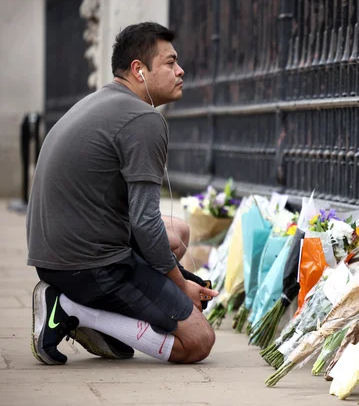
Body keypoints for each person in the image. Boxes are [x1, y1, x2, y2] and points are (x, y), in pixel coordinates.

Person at [26, 22, 218, 365]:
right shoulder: (143, 119)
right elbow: (144, 222)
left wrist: (182, 277)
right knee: (199, 340)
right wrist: (180, 285)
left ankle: (101, 318)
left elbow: (141, 222)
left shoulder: (100, 101)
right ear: (138, 70)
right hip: (90, 265)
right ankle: (72, 309)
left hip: (55, 256)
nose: (180, 70)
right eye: (170, 62)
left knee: (178, 232)